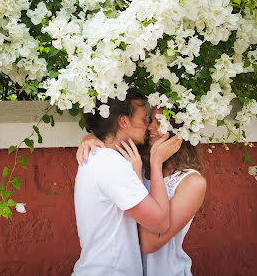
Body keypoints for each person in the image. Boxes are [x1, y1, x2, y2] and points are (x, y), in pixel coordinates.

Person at [77, 107, 206, 276]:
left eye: (158, 122)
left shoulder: (192, 182)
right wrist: (90, 139)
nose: (149, 127)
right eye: (149, 120)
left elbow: (150, 244)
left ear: (178, 129)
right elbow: (112, 138)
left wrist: (155, 163)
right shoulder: (136, 161)